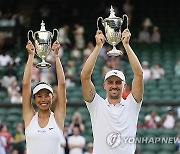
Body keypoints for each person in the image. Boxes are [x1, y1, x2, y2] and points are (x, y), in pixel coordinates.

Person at [81, 29, 143, 154]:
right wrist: (98, 46)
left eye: (118, 82)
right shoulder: (96, 105)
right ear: (104, 85)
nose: (114, 86)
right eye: (110, 82)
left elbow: (139, 74)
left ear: (124, 86)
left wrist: (126, 45)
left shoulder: (132, 104)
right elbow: (85, 77)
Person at [22, 40, 66, 154]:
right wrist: (31, 56)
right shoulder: (29, 117)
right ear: (34, 99)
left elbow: (62, 84)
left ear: (52, 97)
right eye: (39, 96)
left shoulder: (58, 117)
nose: (43, 99)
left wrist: (56, 56)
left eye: (47, 95)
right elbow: (26, 85)